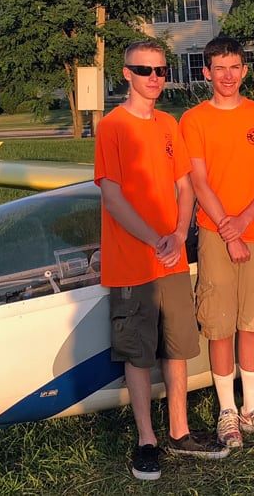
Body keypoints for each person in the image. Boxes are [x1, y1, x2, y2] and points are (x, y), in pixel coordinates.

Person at [94, 39, 228, 481]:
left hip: (170, 256)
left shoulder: (169, 124)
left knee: (178, 347)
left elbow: (185, 187)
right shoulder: (113, 126)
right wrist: (155, 238)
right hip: (133, 261)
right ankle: (146, 440)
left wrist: (177, 234)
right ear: (126, 73)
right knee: (138, 352)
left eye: (160, 71)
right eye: (144, 70)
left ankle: (180, 430)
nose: (154, 79)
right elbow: (112, 196)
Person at [181, 36, 254, 448]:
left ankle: (253, 407)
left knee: (253, 320)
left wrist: (243, 222)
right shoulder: (194, 119)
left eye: (235, 67)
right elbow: (199, 180)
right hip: (214, 233)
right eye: (219, 68)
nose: (228, 76)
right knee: (220, 323)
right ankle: (227, 410)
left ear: (245, 71)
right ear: (206, 72)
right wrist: (227, 228)